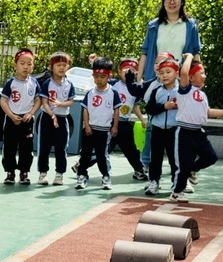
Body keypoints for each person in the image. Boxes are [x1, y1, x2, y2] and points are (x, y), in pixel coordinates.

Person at [137, 0, 201, 173]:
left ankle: (185, 168)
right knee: (153, 122)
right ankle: (146, 164)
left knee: (184, 123)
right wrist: (139, 78)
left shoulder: (190, 25)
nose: (172, 2)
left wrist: (198, 79)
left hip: (182, 80)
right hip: (156, 78)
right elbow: (144, 52)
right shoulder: (153, 25)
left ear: (182, 2)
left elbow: (195, 53)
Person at [169, 53, 223, 203]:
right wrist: (189, 57)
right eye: (201, 72)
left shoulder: (202, 94)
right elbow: (183, 72)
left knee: (211, 157)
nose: (204, 75)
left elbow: (208, 112)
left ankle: (193, 170)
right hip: (184, 133)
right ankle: (176, 192)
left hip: (198, 132)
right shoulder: (185, 90)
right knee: (182, 167)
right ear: (190, 78)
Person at [75, 57, 147, 182]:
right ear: (119, 72)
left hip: (124, 123)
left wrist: (142, 119)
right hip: (110, 122)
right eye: (125, 69)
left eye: (132, 70)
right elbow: (101, 77)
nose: (128, 72)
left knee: (130, 149)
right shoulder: (113, 84)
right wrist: (95, 62)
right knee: (103, 149)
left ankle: (139, 170)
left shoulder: (135, 88)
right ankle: (81, 165)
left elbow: (135, 106)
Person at [74, 56, 122, 190]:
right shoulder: (90, 93)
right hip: (90, 130)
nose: (99, 80)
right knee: (85, 154)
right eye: (96, 76)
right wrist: (87, 125)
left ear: (109, 76)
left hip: (104, 130)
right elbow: (85, 110)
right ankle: (82, 175)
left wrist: (115, 126)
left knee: (102, 155)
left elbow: (116, 110)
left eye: (102, 76)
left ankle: (106, 177)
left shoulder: (113, 93)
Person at [0, 48, 42, 185]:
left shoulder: (34, 83)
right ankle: (10, 172)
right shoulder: (10, 83)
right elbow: (3, 101)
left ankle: (24, 173)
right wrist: (11, 115)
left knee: (26, 148)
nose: (26, 67)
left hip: (27, 121)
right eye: (22, 63)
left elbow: (38, 100)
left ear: (33, 66)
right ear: (15, 65)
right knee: (9, 147)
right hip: (12, 120)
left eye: (29, 64)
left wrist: (30, 114)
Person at [140, 55, 179, 196]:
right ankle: (154, 182)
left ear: (177, 73)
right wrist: (164, 106)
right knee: (155, 158)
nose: (164, 76)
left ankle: (177, 184)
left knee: (175, 158)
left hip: (174, 130)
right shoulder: (157, 91)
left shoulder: (181, 91)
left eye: (168, 72)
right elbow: (149, 109)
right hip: (158, 129)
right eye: (161, 73)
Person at [37, 51, 75, 186]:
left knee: (61, 147)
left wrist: (60, 104)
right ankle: (43, 174)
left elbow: (71, 101)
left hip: (62, 118)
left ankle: (59, 174)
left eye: (64, 65)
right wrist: (52, 114)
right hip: (47, 118)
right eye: (58, 64)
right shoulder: (47, 83)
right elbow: (44, 102)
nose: (61, 68)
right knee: (44, 147)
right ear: (51, 66)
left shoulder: (69, 84)